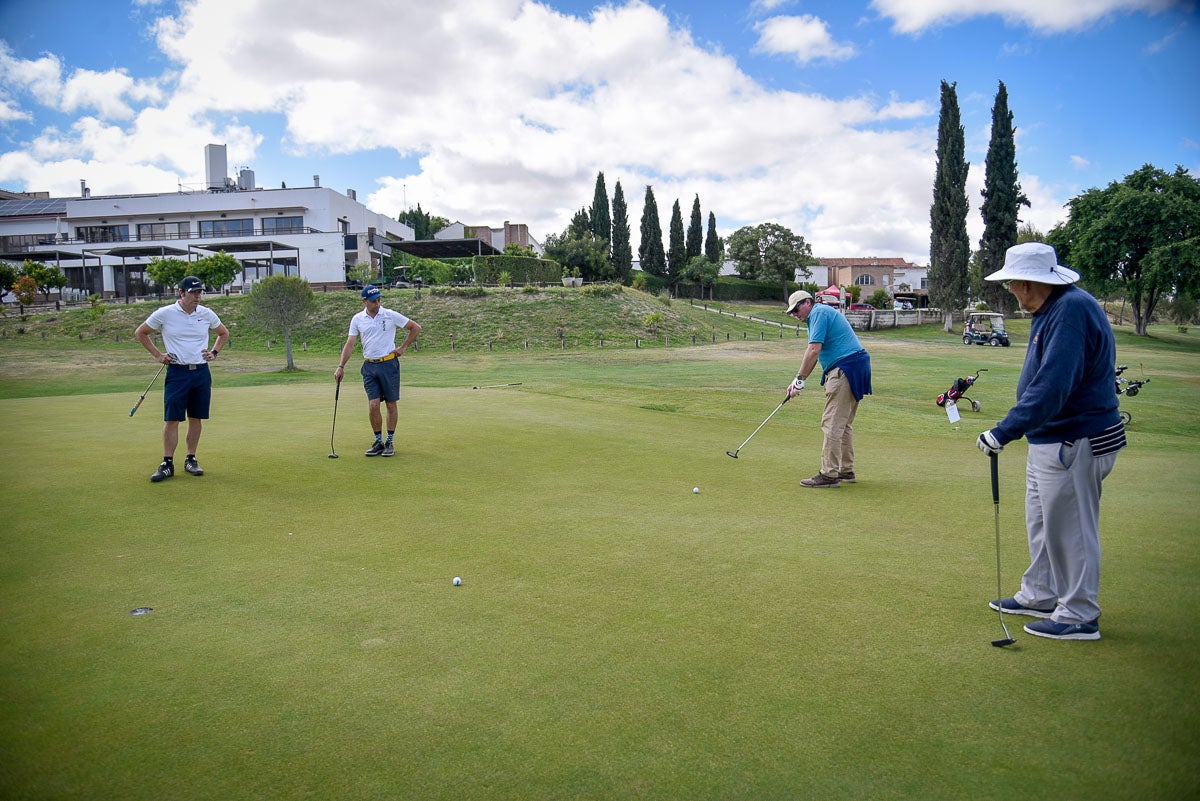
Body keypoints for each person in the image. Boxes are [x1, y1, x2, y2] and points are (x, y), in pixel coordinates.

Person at [976, 242, 1125, 641]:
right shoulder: (1049, 309)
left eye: (1012, 285)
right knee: (1042, 521)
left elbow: (1054, 385)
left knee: (1070, 528)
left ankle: (1079, 613)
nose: (1010, 292)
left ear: (1028, 283)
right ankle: (1041, 593)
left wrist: (1004, 430)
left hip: (1076, 438)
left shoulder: (1071, 309)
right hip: (1051, 438)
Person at [135, 275, 230, 482]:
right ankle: (167, 463)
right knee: (172, 419)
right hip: (177, 372)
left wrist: (214, 353)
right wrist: (159, 355)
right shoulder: (165, 313)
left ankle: (191, 459)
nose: (198, 296)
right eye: (193, 292)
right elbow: (141, 332)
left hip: (201, 373)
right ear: (181, 292)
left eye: (200, 292)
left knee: (196, 417)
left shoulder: (206, 314)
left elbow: (223, 333)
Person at [783, 289, 873, 488]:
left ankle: (829, 474)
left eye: (796, 309)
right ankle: (845, 470)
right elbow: (815, 353)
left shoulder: (818, 313)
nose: (795, 314)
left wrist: (799, 379)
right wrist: (799, 380)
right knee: (843, 422)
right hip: (855, 365)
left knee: (832, 422)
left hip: (846, 368)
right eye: (792, 312)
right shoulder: (817, 316)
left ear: (808, 302)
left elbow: (814, 350)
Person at [334, 284, 421, 457]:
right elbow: (350, 344)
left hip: (388, 364)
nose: (378, 303)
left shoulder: (389, 315)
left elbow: (415, 327)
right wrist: (341, 366)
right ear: (364, 301)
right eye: (374, 301)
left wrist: (403, 348)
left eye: (379, 299)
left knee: (390, 404)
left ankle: (390, 441)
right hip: (369, 366)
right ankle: (378, 441)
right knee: (373, 404)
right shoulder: (357, 319)